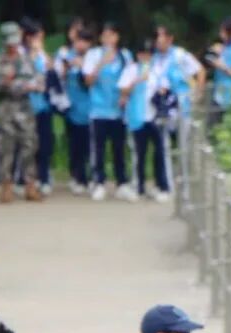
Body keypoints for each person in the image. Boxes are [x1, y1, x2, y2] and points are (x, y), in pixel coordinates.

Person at [0, 21, 44, 203]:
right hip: (5, 109)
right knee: (5, 150)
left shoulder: (26, 60)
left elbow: (39, 78)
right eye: (10, 42)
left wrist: (35, 86)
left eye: (15, 42)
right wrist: (4, 82)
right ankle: (6, 187)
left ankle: (30, 186)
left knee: (30, 147)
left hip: (25, 109)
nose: (13, 46)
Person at [84, 23, 136, 202]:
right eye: (105, 36)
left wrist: (125, 95)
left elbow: (131, 78)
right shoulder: (93, 55)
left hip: (118, 111)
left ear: (117, 37)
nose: (108, 39)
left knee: (119, 148)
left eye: (111, 35)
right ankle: (98, 182)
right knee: (98, 149)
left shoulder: (125, 55)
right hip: (98, 110)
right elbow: (88, 81)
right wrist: (101, 64)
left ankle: (122, 183)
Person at [152, 24, 205, 194]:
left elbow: (200, 70)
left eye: (161, 36)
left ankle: (186, 186)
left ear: (169, 39)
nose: (158, 40)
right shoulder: (155, 58)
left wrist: (198, 94)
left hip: (182, 106)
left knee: (184, 147)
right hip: (162, 107)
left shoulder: (179, 55)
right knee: (164, 147)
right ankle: (168, 185)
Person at [118, 39, 170, 202]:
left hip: (154, 117)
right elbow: (123, 92)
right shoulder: (131, 70)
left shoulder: (158, 69)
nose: (146, 57)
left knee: (159, 152)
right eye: (143, 54)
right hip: (137, 117)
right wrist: (137, 80)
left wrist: (161, 91)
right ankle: (138, 186)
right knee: (139, 153)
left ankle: (161, 186)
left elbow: (165, 87)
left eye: (149, 54)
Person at [22, 19, 55, 195]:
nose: (39, 41)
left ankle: (44, 178)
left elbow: (51, 71)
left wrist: (42, 52)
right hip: (25, 107)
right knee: (27, 146)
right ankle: (25, 180)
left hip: (43, 106)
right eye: (37, 37)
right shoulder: (21, 53)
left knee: (44, 144)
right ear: (28, 37)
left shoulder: (43, 55)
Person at [62, 27, 94, 194]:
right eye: (78, 41)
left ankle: (90, 177)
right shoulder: (68, 57)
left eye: (85, 41)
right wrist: (67, 67)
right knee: (75, 146)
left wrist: (83, 67)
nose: (81, 45)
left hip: (90, 109)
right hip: (72, 108)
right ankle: (77, 177)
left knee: (89, 146)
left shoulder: (94, 58)